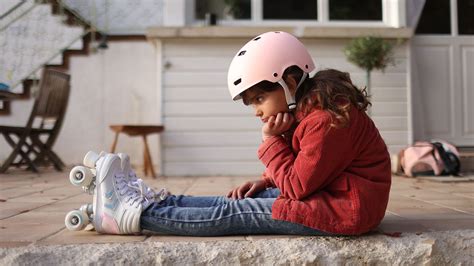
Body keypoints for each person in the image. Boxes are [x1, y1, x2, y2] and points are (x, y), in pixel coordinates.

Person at [67, 31, 391, 236]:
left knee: (232, 212)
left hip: (344, 210)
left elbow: (298, 186)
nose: (257, 111)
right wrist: (267, 181)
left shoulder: (324, 119)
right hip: (332, 197)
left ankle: (128, 214)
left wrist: (270, 141)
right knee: (236, 198)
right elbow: (307, 167)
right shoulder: (311, 110)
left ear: (289, 83)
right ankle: (152, 201)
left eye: (260, 99)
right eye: (252, 103)